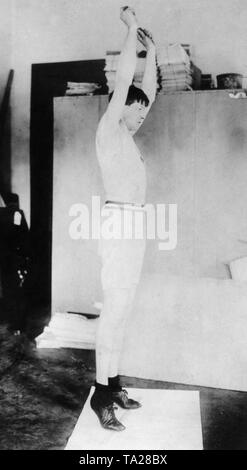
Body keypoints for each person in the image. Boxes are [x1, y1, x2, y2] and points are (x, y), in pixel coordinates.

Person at [92, 6, 157, 431]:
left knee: (125, 308)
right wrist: (133, 31)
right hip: (117, 225)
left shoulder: (129, 139)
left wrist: (152, 54)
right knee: (113, 310)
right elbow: (126, 84)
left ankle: (114, 385)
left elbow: (146, 88)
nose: (141, 116)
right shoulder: (110, 129)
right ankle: (101, 394)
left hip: (133, 225)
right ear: (123, 108)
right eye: (137, 111)